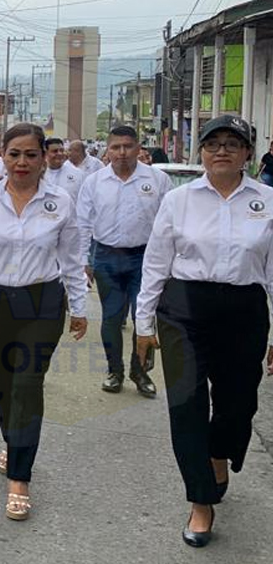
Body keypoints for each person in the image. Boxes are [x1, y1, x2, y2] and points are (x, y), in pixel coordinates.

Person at [135, 115, 273, 548]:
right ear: (202, 152)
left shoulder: (268, 201)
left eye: (233, 143)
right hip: (183, 309)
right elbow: (156, 262)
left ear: (248, 153)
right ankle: (200, 500)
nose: (222, 151)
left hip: (243, 310)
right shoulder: (179, 201)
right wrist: (143, 324)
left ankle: (218, 453)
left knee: (237, 404)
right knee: (186, 405)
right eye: (213, 143)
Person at [0, 122, 89, 521]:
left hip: (42, 302)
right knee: (4, 385)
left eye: (31, 154)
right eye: (15, 154)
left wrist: (79, 308)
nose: (22, 162)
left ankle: (19, 476)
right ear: (3, 156)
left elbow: (72, 259)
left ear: (44, 157)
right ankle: (14, 441)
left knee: (28, 384)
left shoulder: (60, 202)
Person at [76, 125, 172, 397]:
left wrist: (169, 262)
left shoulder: (158, 180)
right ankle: (114, 371)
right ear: (107, 150)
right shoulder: (94, 182)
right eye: (115, 147)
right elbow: (83, 224)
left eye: (127, 146)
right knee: (111, 317)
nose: (121, 152)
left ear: (138, 148)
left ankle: (140, 372)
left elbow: (169, 225)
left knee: (143, 317)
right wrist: (84, 261)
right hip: (106, 257)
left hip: (145, 258)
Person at [42, 137, 86, 204]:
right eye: (55, 151)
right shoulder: (39, 175)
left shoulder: (78, 174)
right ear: (45, 153)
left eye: (62, 150)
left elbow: (84, 199)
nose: (59, 154)